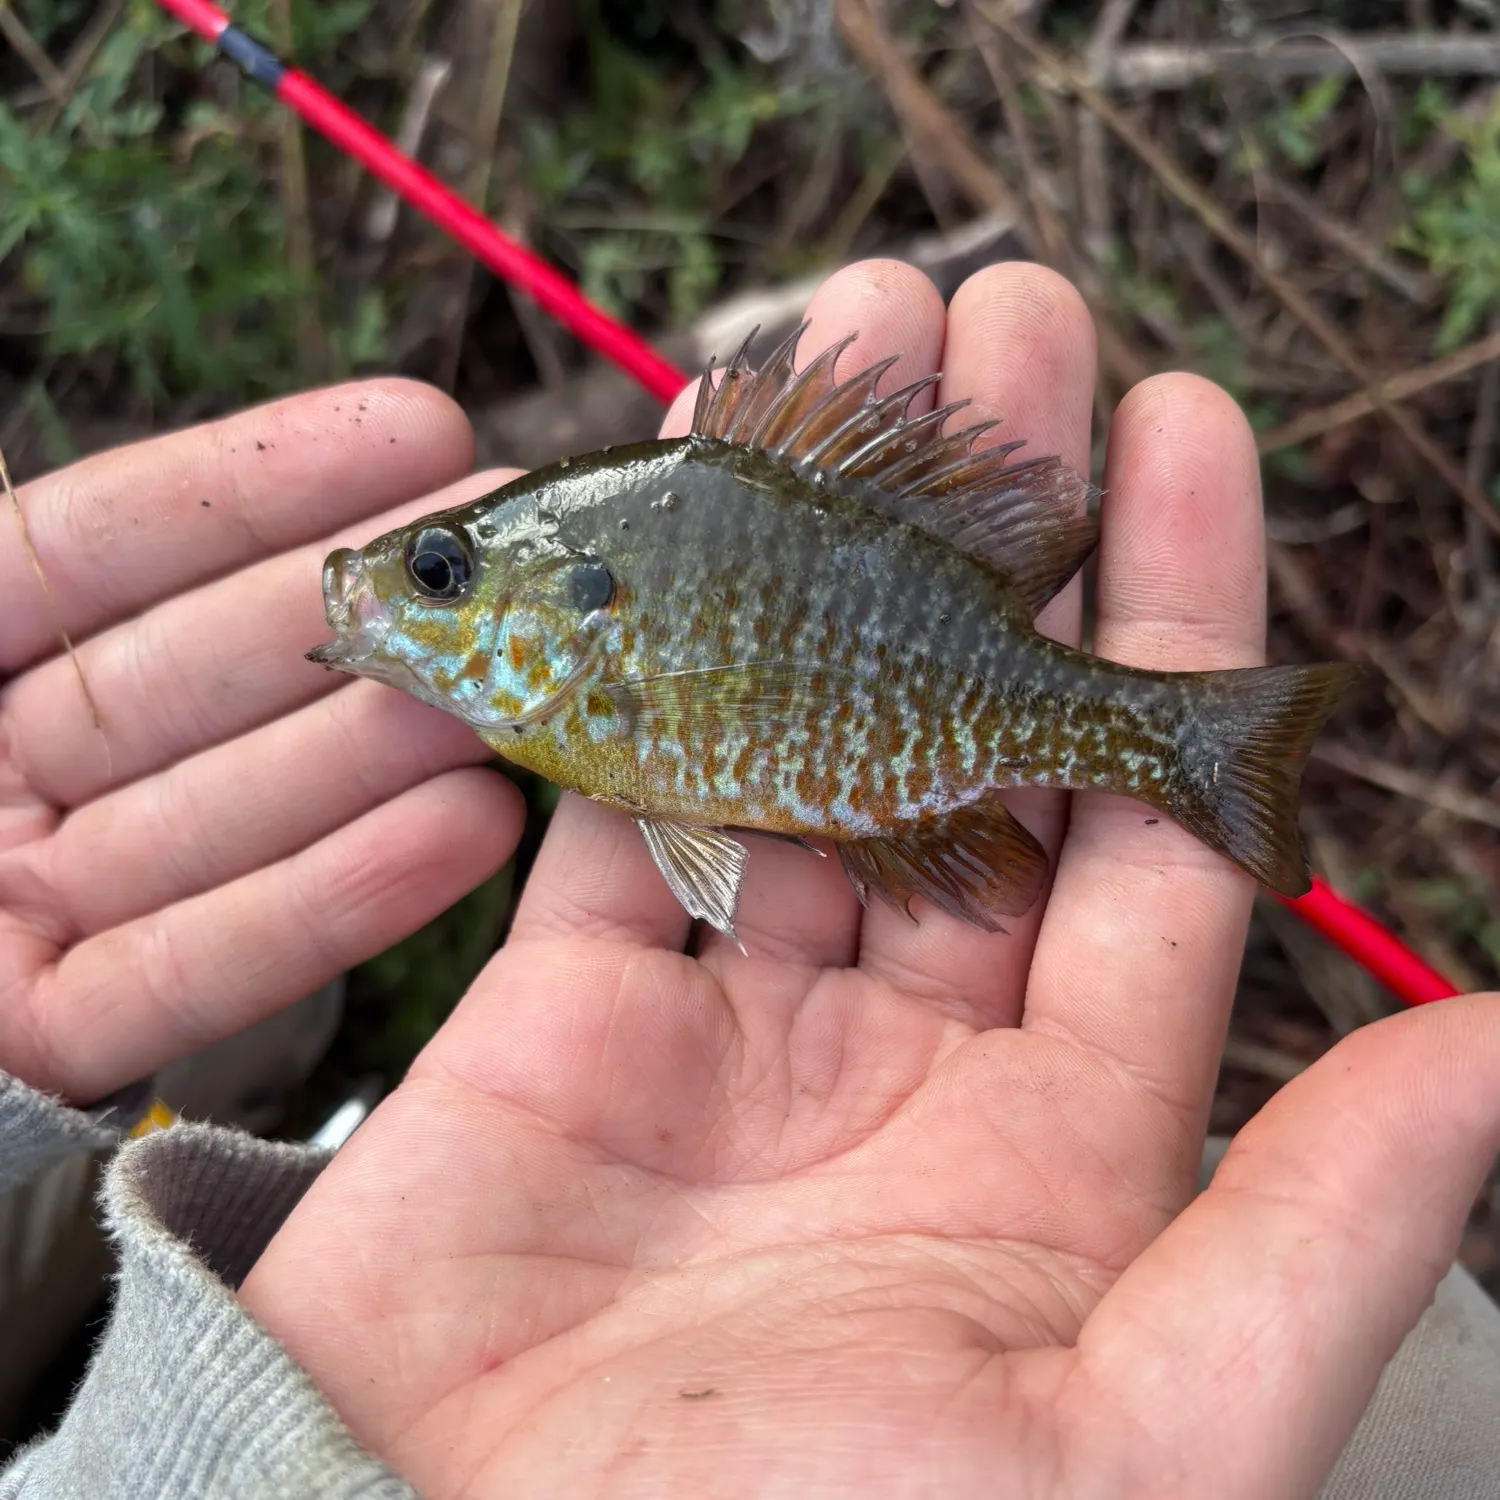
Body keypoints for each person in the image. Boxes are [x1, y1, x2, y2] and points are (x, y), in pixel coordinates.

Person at [2, 258, 1499, 1500]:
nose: (395, 593)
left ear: (569, 609)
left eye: (444, 576)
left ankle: (1196, 745)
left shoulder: (587, 698)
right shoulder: (574, 696)